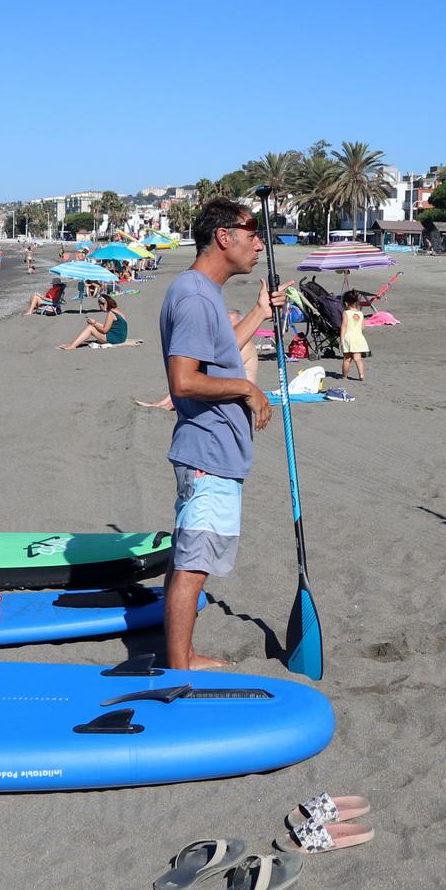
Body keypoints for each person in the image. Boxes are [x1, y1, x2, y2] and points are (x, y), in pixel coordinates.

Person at [159, 198, 288, 669]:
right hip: (206, 451)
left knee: (189, 560)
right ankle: (179, 665)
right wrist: (248, 390)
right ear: (223, 237)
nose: (259, 245)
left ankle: (182, 652)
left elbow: (219, 351)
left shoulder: (205, 292)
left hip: (214, 449)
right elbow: (184, 380)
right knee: (193, 567)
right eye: (251, 235)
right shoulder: (194, 297)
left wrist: (257, 313)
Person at [59, 293, 131, 350]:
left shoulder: (111, 314)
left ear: (104, 304)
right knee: (95, 325)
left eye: (100, 305)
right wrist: (95, 323)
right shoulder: (118, 311)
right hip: (121, 337)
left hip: (116, 339)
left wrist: (94, 324)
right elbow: (111, 327)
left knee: (90, 328)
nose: (100, 308)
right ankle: (73, 343)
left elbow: (104, 330)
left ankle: (73, 345)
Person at [338, 290, 370, 382]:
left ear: (346, 303)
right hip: (358, 337)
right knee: (358, 358)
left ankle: (344, 376)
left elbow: (343, 326)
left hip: (348, 337)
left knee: (347, 359)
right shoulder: (360, 313)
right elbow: (363, 327)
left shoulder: (346, 313)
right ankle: (361, 375)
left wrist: (342, 339)